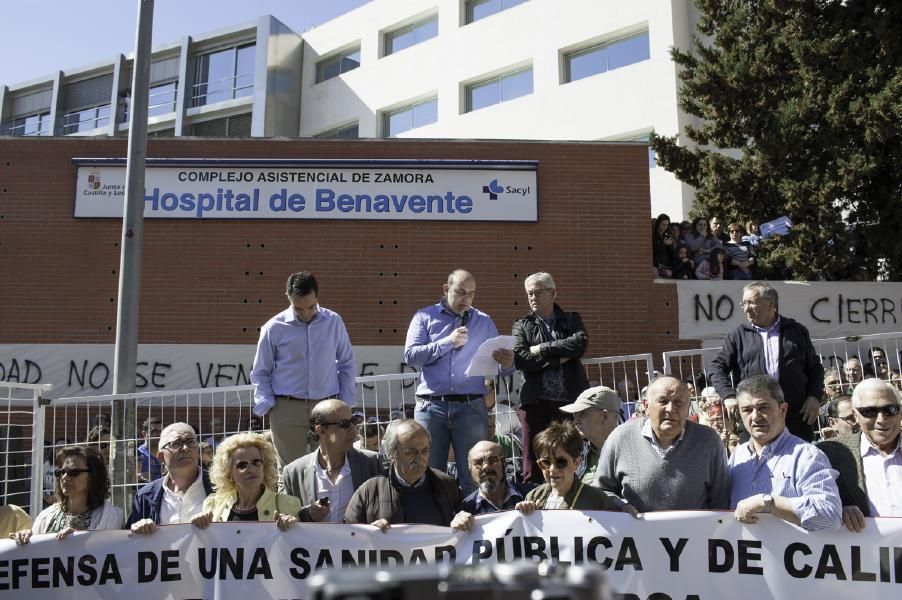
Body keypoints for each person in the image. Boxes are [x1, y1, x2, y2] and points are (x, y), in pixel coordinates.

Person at [404, 269, 514, 494]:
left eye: (471, 294)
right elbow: (411, 356)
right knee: (428, 475)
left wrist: (507, 361)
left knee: (474, 474)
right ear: (446, 289)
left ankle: (474, 523)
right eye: (461, 292)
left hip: (470, 407)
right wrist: (448, 342)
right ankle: (435, 526)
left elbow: (502, 366)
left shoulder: (483, 321)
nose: (466, 299)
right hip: (431, 406)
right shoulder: (424, 317)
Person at [250, 271, 356, 468]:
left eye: (311, 306)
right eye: (299, 308)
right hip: (287, 408)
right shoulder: (273, 327)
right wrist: (267, 403)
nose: (306, 313)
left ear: (317, 296)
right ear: (288, 297)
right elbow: (261, 371)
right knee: (290, 471)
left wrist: (345, 403)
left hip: (328, 407)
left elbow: (346, 363)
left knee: (334, 465)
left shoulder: (334, 322)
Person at [594, 376, 731, 512]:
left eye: (678, 402)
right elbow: (601, 491)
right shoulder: (621, 438)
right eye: (663, 401)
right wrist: (620, 506)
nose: (671, 409)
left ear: (689, 407)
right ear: (646, 406)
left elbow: (721, 502)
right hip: (636, 532)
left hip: (695, 533)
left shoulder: (708, 441)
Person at [710, 281, 824, 441]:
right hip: (755, 420)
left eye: (751, 302)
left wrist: (814, 396)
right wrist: (728, 395)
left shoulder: (796, 331)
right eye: (743, 303)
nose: (746, 307)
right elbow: (717, 368)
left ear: (770, 304)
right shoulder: (738, 336)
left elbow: (815, 368)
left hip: (795, 418)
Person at [730, 375, 842, 531]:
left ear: (783, 409)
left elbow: (830, 516)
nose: (755, 416)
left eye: (763, 407)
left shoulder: (807, 456)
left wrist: (768, 503)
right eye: (747, 410)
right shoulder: (738, 456)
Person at [512, 272, 590, 483]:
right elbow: (522, 359)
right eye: (530, 294)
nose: (533, 298)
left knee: (570, 454)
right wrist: (558, 359)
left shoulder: (571, 320)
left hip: (569, 402)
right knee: (533, 459)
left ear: (553, 292)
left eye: (538, 292)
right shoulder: (522, 324)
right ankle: (533, 499)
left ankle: (572, 497)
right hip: (534, 403)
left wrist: (542, 348)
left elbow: (579, 344)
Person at [344, 419, 462, 530]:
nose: (420, 458)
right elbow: (350, 534)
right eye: (411, 452)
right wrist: (369, 532)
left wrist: (463, 519)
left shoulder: (447, 485)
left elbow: (467, 527)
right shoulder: (370, 491)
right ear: (391, 454)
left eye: (424, 451)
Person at [819, 378, 902, 531]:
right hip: (861, 551)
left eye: (890, 410)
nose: (881, 419)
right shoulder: (829, 453)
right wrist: (838, 510)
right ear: (856, 416)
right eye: (869, 412)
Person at [282, 399, 382, 523]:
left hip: (357, 541)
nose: (353, 430)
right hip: (315, 542)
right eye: (344, 424)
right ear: (321, 430)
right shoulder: (294, 472)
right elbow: (286, 515)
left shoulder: (372, 463)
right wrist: (307, 514)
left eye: (353, 421)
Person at [10, 445, 124, 544]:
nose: (64, 477)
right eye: (61, 472)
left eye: (73, 472)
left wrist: (78, 540)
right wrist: (28, 538)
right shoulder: (46, 516)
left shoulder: (111, 516)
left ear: (93, 476)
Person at [516, 421, 637, 514]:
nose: (552, 469)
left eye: (561, 462)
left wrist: (623, 509)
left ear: (576, 462)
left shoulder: (596, 499)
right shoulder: (533, 497)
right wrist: (523, 512)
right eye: (545, 463)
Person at [190, 433, 300, 530]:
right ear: (228, 472)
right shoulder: (213, 504)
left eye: (256, 462)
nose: (251, 469)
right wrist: (197, 524)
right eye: (242, 465)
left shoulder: (287, 505)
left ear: (264, 467)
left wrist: (293, 527)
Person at [127, 423, 213, 533]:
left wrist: (216, 523)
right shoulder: (145, 497)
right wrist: (138, 529)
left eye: (191, 442)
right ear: (161, 457)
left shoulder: (220, 487)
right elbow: (129, 542)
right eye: (176, 444)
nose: (186, 448)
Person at [452, 441, 531, 529]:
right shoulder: (464, 510)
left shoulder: (531, 495)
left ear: (504, 464)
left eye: (493, 460)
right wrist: (456, 529)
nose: (486, 467)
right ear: (470, 471)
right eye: (478, 462)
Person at [559, 386, 621, 485]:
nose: (575, 421)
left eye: (583, 414)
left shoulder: (628, 452)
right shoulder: (580, 451)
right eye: (575, 415)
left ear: (604, 416)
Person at [136, 416, 163, 484]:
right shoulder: (138, 454)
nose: (159, 435)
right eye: (154, 431)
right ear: (144, 434)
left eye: (161, 431)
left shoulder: (166, 453)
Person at [652, 213, 675, 278]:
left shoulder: (668, 236)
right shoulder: (653, 235)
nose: (665, 227)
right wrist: (663, 244)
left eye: (667, 225)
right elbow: (653, 251)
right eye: (663, 224)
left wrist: (670, 245)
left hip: (666, 267)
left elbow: (672, 254)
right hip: (656, 266)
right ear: (658, 223)